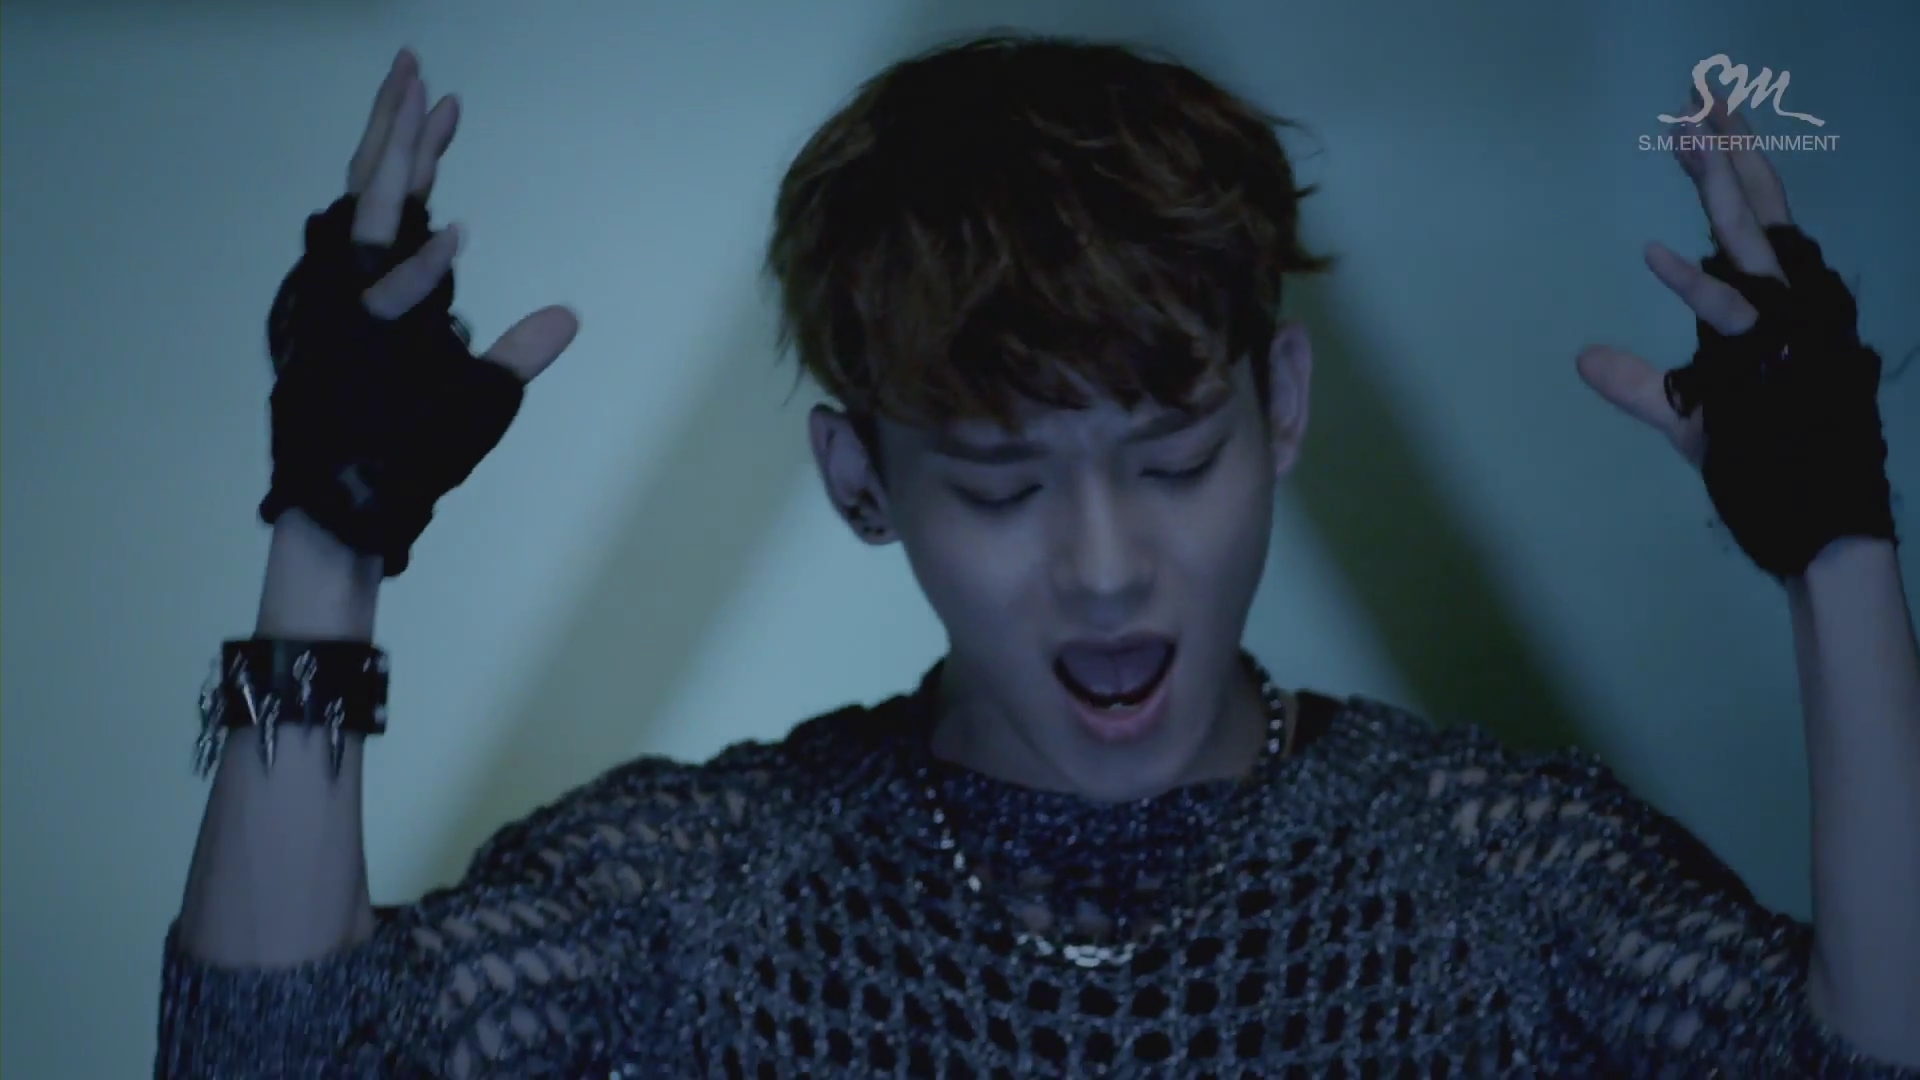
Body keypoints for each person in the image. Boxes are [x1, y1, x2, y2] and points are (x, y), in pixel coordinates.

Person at [156, 35, 1920, 1078]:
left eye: (1174, 460)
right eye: (1002, 488)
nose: (1105, 566)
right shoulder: (711, 882)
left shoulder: (1494, 870)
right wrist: (329, 538)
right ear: (862, 482)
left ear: (1282, 406)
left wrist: (1838, 543)